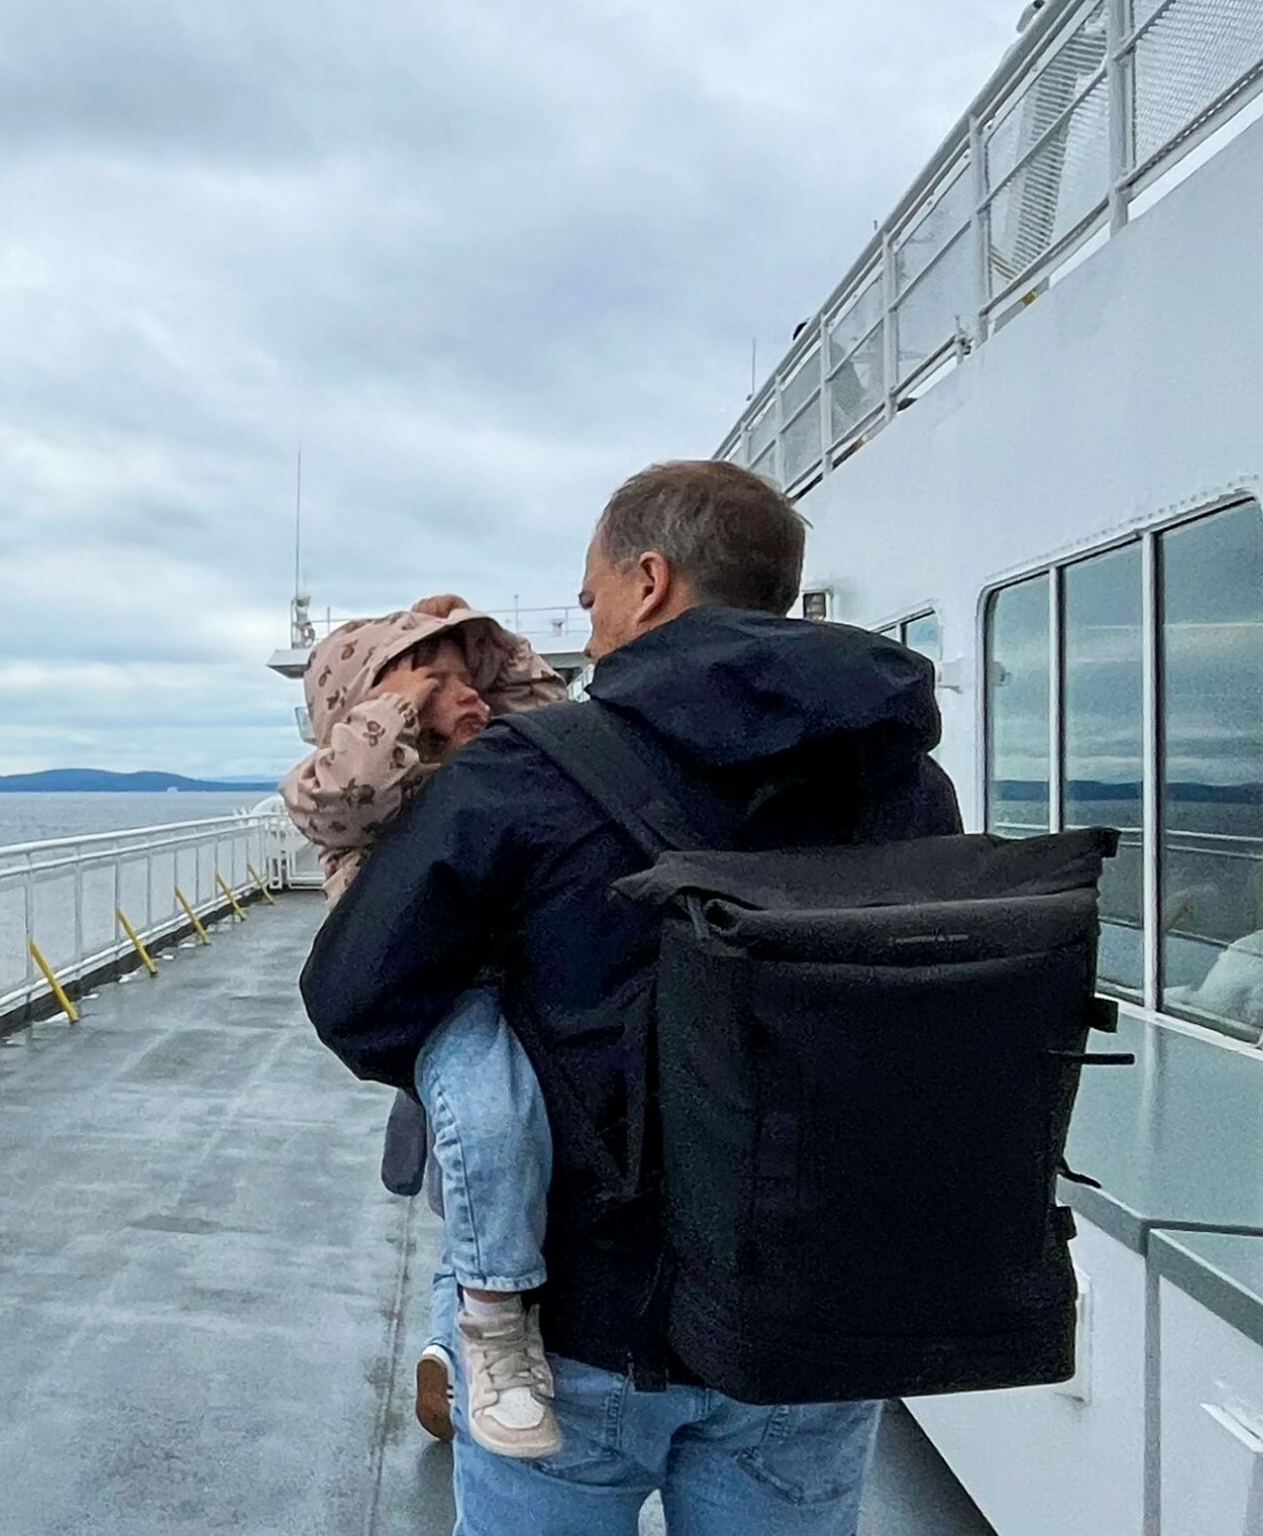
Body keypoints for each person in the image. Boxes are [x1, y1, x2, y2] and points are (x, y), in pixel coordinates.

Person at [300, 459, 960, 1534]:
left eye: (593, 590)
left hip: (581, 1321)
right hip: (814, 1306)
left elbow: (355, 1000)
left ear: (649, 581)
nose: (586, 615)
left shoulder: (528, 772)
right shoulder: (903, 778)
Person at [283, 598, 567, 1457]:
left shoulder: (501, 760)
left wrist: (494, 652)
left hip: (526, 976)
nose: (469, 694)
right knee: (486, 1116)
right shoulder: (347, 792)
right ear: (383, 704)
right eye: (438, 684)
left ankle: (465, 1329)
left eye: (470, 678)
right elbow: (349, 784)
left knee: (497, 1155)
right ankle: (490, 1329)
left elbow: (567, 728)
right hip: (442, 988)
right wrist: (402, 697)